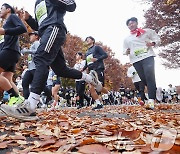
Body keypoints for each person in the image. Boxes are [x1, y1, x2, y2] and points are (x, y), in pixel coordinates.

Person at [0, 0, 102, 121]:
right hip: (46, 33)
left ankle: (30, 106)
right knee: (60, 70)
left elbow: (72, 5)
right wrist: (28, 18)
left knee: (40, 58)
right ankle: (89, 78)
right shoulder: (38, 3)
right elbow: (39, 26)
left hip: (54, 29)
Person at [123, 17, 161, 109]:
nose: (131, 25)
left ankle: (151, 101)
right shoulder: (127, 39)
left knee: (149, 76)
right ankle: (155, 90)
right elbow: (124, 50)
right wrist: (126, 51)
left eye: (132, 23)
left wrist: (152, 43)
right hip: (136, 60)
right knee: (144, 79)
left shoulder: (146, 31)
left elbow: (157, 39)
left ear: (136, 23)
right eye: (129, 24)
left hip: (148, 56)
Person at [0, 3, 27, 106]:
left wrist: (4, 31)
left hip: (10, 51)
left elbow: (23, 29)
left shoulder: (12, 16)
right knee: (7, 79)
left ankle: (15, 97)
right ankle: (22, 104)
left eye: (1, 8)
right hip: (12, 52)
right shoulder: (8, 21)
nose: (0, 10)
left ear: (8, 10)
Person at [84, 36, 108, 110]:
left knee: (99, 87)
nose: (87, 40)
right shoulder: (87, 52)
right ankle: (98, 103)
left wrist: (97, 59)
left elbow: (105, 55)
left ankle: (107, 93)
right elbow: (87, 62)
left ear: (93, 40)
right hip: (91, 71)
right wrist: (83, 69)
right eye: (86, 40)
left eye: (88, 39)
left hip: (98, 68)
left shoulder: (96, 48)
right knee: (91, 86)